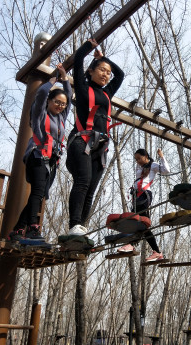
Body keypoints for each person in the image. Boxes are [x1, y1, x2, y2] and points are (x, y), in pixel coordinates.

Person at [66, 39, 124, 236]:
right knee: (83, 180)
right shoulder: (83, 87)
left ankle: (80, 227)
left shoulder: (107, 93)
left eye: (108, 72)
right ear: (91, 71)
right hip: (81, 140)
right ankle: (74, 223)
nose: (106, 75)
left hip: (100, 147)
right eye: (102, 70)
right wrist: (88, 47)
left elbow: (120, 75)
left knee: (91, 188)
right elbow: (79, 60)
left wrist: (104, 59)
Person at [8, 63, 72, 242]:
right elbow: (42, 94)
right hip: (37, 155)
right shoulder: (40, 114)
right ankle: (33, 228)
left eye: (63, 104)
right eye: (57, 102)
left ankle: (18, 228)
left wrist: (65, 79)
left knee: (40, 194)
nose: (60, 106)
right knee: (37, 192)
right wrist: (53, 80)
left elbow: (69, 98)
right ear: (49, 102)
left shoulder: (61, 118)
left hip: (51, 161)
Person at [117, 148, 170, 262]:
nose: (138, 161)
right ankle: (157, 252)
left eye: (139, 158)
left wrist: (161, 157)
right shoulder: (139, 167)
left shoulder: (154, 165)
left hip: (145, 195)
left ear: (146, 156)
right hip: (137, 196)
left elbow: (166, 170)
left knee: (136, 220)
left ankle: (130, 244)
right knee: (144, 226)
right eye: (136, 159)